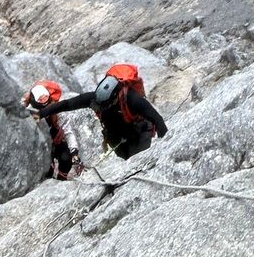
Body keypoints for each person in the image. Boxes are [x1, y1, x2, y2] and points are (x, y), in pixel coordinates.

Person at [36, 63, 169, 160]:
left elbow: (157, 119)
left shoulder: (133, 99)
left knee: (136, 160)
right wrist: (40, 114)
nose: (100, 107)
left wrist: (166, 148)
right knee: (125, 158)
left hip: (139, 134)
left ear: (116, 96)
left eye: (105, 105)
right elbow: (67, 105)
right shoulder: (94, 98)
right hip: (117, 136)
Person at [23, 78, 82, 179]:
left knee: (66, 158)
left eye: (45, 97)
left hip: (55, 142)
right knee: (47, 169)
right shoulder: (28, 113)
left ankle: (62, 178)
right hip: (39, 146)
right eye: (40, 99)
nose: (44, 100)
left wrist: (74, 152)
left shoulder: (57, 110)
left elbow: (68, 132)